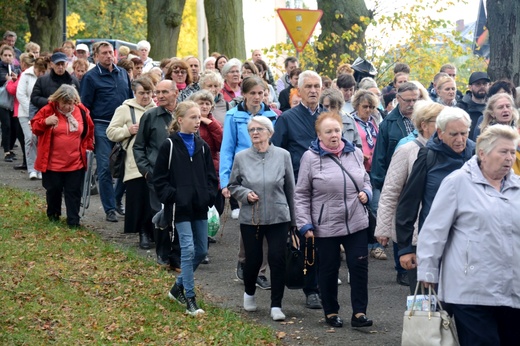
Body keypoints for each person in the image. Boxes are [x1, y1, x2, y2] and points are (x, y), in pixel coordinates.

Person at [416, 124, 520, 345]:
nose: (509, 158)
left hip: (513, 288)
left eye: (513, 151)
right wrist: (427, 272)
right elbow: (434, 231)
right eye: (503, 151)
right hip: (471, 288)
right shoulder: (457, 182)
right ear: (482, 152)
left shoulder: (518, 186)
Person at [294, 111, 373, 328]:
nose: (334, 135)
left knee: (359, 267)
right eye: (328, 131)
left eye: (337, 130)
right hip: (325, 224)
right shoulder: (310, 158)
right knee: (328, 269)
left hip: (356, 219)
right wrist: (304, 224)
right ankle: (331, 311)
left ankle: (359, 313)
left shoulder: (355, 153)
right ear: (319, 135)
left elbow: (365, 178)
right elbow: (300, 194)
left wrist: (367, 192)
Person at [396, 106, 475, 293]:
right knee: (432, 309)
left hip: (470, 245)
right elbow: (408, 203)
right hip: (434, 244)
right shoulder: (427, 156)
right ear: (440, 133)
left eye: (464, 133)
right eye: (454, 134)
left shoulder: (475, 156)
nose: (460, 139)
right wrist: (405, 247)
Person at [228, 115, 295, 321]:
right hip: (252, 217)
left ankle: (276, 305)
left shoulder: (283, 155)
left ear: (269, 132)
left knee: (277, 258)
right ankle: (249, 292)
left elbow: (290, 188)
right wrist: (244, 195)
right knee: (254, 260)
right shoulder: (241, 157)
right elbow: (232, 186)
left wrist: (294, 221)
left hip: (278, 216)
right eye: (251, 130)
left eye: (259, 129)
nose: (255, 133)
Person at [155, 101, 218, 316]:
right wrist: (174, 197)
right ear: (180, 120)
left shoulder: (202, 146)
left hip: (199, 207)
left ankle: (176, 288)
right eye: (192, 117)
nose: (197, 121)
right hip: (180, 209)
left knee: (201, 250)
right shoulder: (169, 145)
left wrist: (208, 196)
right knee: (188, 249)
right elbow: (159, 179)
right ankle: (190, 298)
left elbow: (211, 177)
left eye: (199, 117)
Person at [272, 70, 324, 310]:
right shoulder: (287, 118)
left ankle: (323, 285)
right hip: (299, 186)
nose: (313, 91)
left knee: (327, 238)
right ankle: (310, 289)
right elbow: (278, 154)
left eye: (317, 86)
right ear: (299, 91)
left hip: (327, 187)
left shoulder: (327, 117)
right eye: (309, 87)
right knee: (307, 237)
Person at [220, 76, 277, 288]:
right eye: (252, 93)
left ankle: (259, 270)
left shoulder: (271, 115)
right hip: (244, 173)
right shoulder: (233, 116)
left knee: (264, 222)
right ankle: (245, 260)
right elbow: (227, 148)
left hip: (267, 173)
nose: (256, 97)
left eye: (260, 93)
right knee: (251, 220)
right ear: (243, 94)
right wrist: (225, 181)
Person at [375, 101, 443, 274]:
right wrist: (383, 230)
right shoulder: (407, 150)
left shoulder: (450, 151)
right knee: (418, 286)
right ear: (424, 125)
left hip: (442, 227)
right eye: (439, 121)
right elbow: (391, 191)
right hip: (414, 228)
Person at [370, 82, 420, 286]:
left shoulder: (424, 119)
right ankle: (402, 269)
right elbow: (379, 157)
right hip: (398, 179)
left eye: (415, 100)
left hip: (419, 177)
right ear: (397, 99)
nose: (411, 104)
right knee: (402, 224)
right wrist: (382, 184)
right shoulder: (388, 124)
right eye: (407, 100)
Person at [80, 41, 133, 223]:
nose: (108, 56)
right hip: (101, 125)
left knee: (127, 166)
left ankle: (117, 200)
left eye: (110, 52)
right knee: (104, 168)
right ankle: (109, 208)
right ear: (95, 56)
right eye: (104, 53)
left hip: (124, 125)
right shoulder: (90, 77)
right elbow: (84, 107)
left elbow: (130, 100)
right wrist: (88, 132)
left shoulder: (123, 74)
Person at [133, 80, 181, 268]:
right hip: (156, 175)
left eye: (164, 92)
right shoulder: (150, 116)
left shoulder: (184, 113)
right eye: (157, 92)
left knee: (181, 213)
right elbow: (139, 146)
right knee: (161, 213)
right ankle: (163, 254)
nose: (159, 96)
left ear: (175, 93)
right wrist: (145, 171)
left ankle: (179, 253)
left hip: (181, 174)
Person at [31, 85, 94, 227]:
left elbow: (89, 131)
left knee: (73, 192)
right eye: (64, 103)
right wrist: (46, 122)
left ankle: (73, 220)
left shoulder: (82, 111)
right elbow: (35, 127)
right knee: (54, 190)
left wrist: (89, 149)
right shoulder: (48, 110)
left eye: (70, 103)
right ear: (57, 100)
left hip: (75, 161)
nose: (67, 107)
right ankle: (53, 215)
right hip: (52, 163)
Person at [106, 77, 157, 249]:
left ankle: (153, 232)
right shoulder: (125, 109)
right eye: (141, 93)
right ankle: (142, 232)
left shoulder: (157, 109)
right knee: (138, 198)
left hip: (154, 161)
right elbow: (111, 132)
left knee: (153, 200)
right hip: (133, 162)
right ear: (134, 93)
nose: (145, 96)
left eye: (148, 93)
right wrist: (128, 130)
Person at [189, 89, 224, 264]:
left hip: (211, 168)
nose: (204, 106)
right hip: (192, 171)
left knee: (215, 206)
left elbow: (221, 143)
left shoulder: (213, 122)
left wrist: (210, 124)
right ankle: (199, 247)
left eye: (207, 103)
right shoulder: (189, 121)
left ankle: (204, 241)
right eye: (201, 103)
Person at [16, 56, 48, 179]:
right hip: (25, 113)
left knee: (41, 140)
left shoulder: (46, 77)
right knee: (30, 138)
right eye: (39, 71)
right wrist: (31, 111)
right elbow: (21, 94)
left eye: (43, 72)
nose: (41, 74)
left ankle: (40, 167)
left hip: (42, 113)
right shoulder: (26, 75)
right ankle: (32, 168)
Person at [6, 53, 35, 171]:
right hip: (25, 109)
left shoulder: (24, 74)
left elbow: (13, 90)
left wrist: (9, 81)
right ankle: (27, 161)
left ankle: (27, 162)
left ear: (23, 63)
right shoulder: (31, 74)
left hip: (21, 110)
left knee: (24, 138)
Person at [1, 44, 21, 162]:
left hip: (13, 100)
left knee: (14, 126)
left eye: (10, 55)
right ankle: (6, 151)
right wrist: (6, 79)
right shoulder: (1, 68)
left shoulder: (15, 68)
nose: (7, 57)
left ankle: (10, 147)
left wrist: (15, 78)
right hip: (2, 101)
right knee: (6, 125)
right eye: (5, 55)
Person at [456, 71, 490, 139]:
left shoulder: (493, 107)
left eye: (485, 84)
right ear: (470, 87)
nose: (482, 86)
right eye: (478, 84)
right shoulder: (461, 107)